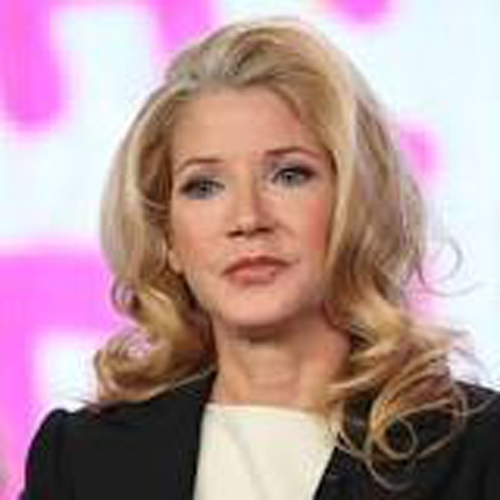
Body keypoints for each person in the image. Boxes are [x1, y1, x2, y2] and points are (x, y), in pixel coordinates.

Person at [22, 17, 499, 500]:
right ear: (167, 236)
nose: (247, 219)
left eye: (289, 175)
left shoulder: (477, 450)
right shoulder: (82, 462)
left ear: (354, 205)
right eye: (204, 187)